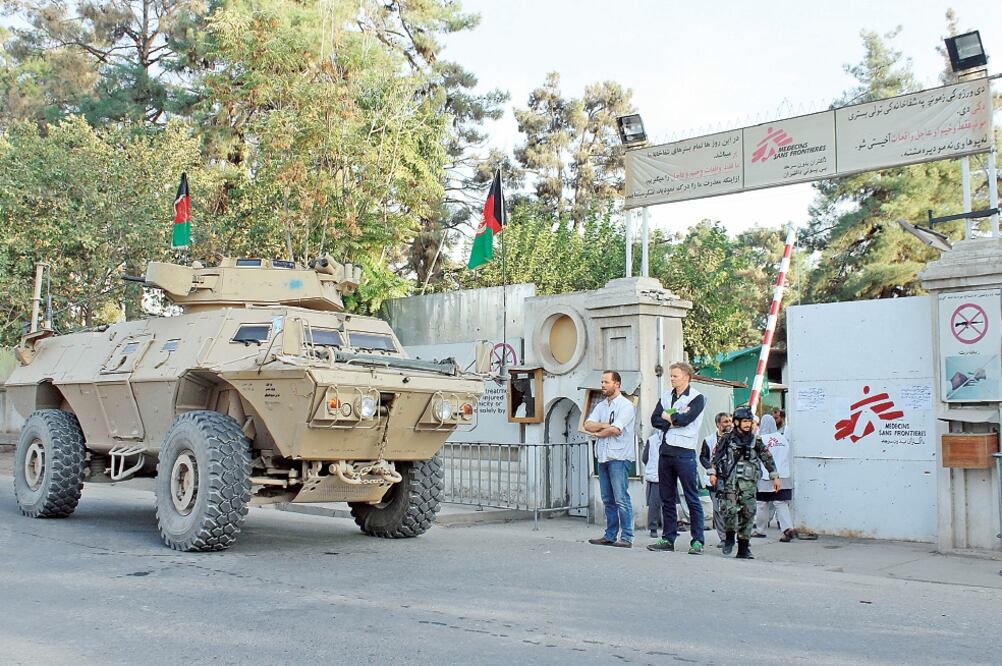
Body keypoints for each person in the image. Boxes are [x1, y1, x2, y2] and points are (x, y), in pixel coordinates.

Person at [647, 362, 706, 555]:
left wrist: (668, 419)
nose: (672, 379)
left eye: (675, 376)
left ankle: (697, 540)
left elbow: (685, 420)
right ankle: (668, 538)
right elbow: (654, 419)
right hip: (666, 451)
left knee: (691, 497)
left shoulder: (696, 398)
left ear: (686, 377)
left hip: (685, 452)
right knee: (667, 497)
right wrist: (670, 421)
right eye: (671, 376)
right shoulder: (666, 396)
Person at [709, 407, 779, 559]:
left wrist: (774, 475)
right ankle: (729, 537)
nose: (748, 424)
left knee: (748, 514)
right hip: (730, 484)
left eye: (750, 421)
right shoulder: (727, 439)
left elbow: (767, 458)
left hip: (748, 485)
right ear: (736, 422)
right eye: (745, 421)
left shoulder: (755, 440)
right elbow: (716, 457)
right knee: (730, 512)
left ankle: (743, 548)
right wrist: (712, 473)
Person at [584, 370, 637, 548]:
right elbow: (587, 424)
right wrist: (604, 426)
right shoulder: (601, 406)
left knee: (621, 498)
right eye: (602, 382)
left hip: (619, 457)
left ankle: (627, 536)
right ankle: (610, 534)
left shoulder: (626, 406)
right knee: (607, 499)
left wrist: (598, 433)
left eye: (606, 382)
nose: (603, 385)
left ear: (617, 384)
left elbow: (616, 430)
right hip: (603, 456)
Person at [752, 414, 796, 541]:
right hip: (783, 476)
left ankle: (760, 530)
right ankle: (787, 529)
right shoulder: (782, 439)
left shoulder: (759, 440)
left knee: (762, 504)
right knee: (781, 503)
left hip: (766, 477)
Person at [699, 412, 732, 546]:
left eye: (730, 421)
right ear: (718, 424)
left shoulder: (737, 439)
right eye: (725, 421)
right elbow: (703, 457)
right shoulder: (709, 440)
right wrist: (710, 469)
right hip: (715, 480)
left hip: (732, 480)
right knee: (718, 510)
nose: (729, 424)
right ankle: (724, 538)